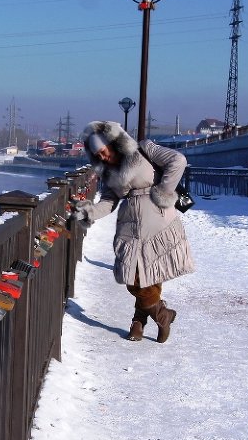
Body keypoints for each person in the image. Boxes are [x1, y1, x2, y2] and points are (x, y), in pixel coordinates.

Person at [73, 120, 195, 343]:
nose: (102, 157)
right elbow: (109, 201)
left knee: (148, 273)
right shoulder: (109, 172)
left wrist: (164, 191)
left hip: (158, 221)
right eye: (96, 155)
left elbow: (178, 161)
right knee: (136, 276)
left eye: (103, 151)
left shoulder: (144, 149)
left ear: (112, 143)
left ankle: (140, 322)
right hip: (130, 225)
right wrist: (89, 212)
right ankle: (159, 315)